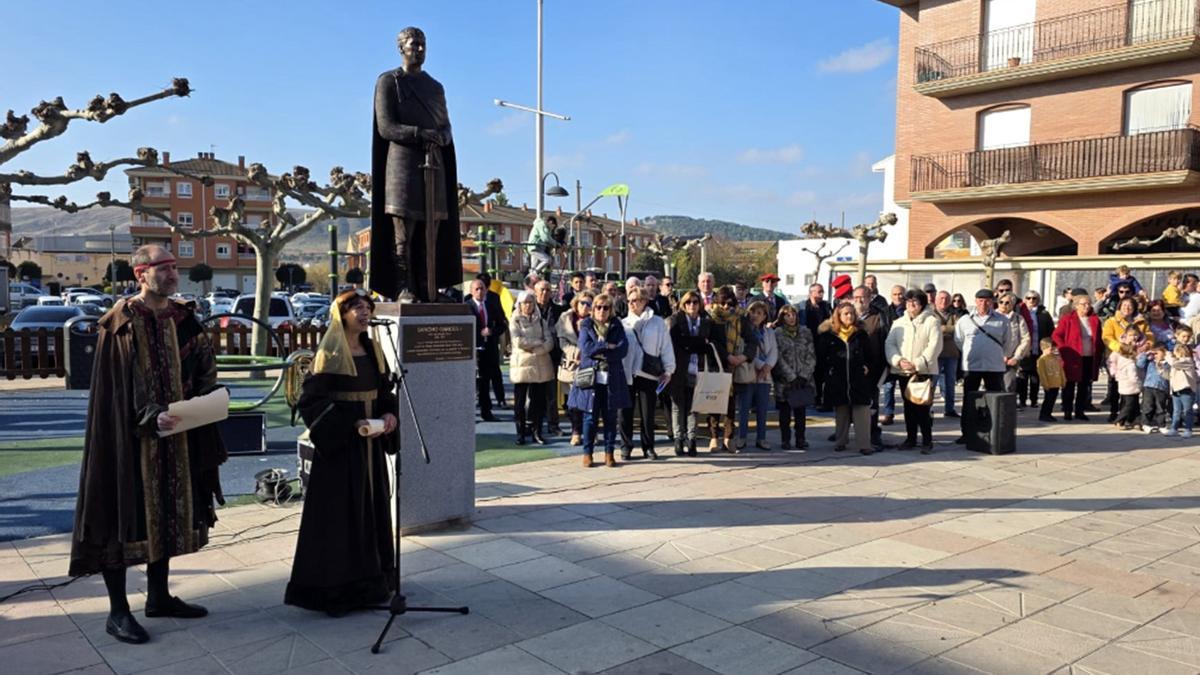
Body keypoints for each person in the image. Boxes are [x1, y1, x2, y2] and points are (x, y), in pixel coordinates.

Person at [69, 245, 227, 644]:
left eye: (175, 266)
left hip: (179, 436)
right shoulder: (120, 323)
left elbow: (203, 366)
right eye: (164, 267)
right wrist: (148, 415)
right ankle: (117, 612)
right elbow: (117, 389)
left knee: (170, 515)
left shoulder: (185, 319)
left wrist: (205, 398)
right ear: (141, 274)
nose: (174, 273)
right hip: (130, 443)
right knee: (122, 521)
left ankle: (158, 597)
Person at [287, 290, 398, 617]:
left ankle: (374, 582)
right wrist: (352, 422)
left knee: (372, 510)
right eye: (357, 308)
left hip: (370, 445)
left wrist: (389, 414)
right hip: (341, 451)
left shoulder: (374, 348)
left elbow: (385, 389)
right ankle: (338, 590)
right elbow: (310, 403)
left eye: (368, 308)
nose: (365, 313)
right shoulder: (330, 353)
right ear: (342, 314)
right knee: (342, 518)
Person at [370, 27, 461, 303]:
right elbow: (386, 127)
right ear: (401, 48)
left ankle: (427, 286)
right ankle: (404, 286)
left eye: (423, 44)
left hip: (433, 164)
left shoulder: (435, 87)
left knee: (430, 233)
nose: (420, 49)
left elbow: (446, 127)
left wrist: (441, 137)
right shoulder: (388, 81)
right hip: (402, 165)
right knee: (404, 234)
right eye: (414, 44)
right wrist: (419, 134)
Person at [567, 294, 630, 467]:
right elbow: (586, 349)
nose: (602, 311)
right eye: (598, 307)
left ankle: (609, 453)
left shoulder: (617, 326)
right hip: (590, 379)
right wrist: (606, 346)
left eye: (606, 308)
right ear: (593, 309)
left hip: (611, 378)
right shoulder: (586, 325)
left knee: (610, 418)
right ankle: (588, 453)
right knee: (590, 418)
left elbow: (622, 350)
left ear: (611, 310)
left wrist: (602, 351)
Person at [620, 286, 675, 460]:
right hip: (627, 373)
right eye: (629, 301)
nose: (631, 304)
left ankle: (648, 447)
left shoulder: (657, 322)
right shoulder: (623, 323)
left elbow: (665, 347)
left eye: (635, 300)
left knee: (647, 413)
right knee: (625, 412)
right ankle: (626, 446)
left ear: (644, 301)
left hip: (648, 373)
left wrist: (669, 369)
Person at [885, 288, 943, 453]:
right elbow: (890, 344)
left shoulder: (932, 321)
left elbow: (935, 346)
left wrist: (917, 364)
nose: (911, 305)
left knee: (922, 407)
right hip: (903, 371)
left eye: (915, 302)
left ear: (922, 304)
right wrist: (898, 360)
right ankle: (910, 438)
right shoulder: (899, 322)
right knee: (908, 407)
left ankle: (927, 440)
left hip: (923, 371)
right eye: (908, 302)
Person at [819, 302, 874, 455]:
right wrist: (828, 373)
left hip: (858, 379)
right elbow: (822, 359)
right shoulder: (829, 336)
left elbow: (870, 355)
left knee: (862, 411)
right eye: (845, 313)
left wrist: (867, 366)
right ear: (838, 316)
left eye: (851, 313)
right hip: (838, 379)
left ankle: (864, 444)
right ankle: (841, 441)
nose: (849, 316)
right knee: (841, 412)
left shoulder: (861, 334)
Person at [668, 290, 719, 456]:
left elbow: (709, 344)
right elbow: (678, 342)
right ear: (683, 304)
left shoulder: (706, 320)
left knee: (693, 406)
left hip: (698, 368)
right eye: (688, 302)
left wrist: (693, 343)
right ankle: (678, 438)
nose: (692, 305)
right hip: (679, 367)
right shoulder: (676, 319)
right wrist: (697, 343)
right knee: (677, 405)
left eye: (695, 302)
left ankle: (691, 439)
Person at [707, 287, 758, 452]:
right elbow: (712, 341)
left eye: (729, 303)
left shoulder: (741, 319)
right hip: (717, 364)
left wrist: (742, 358)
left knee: (730, 404)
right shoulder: (712, 319)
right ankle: (714, 437)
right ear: (716, 303)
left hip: (735, 366)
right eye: (722, 303)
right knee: (714, 402)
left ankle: (728, 437)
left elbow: (752, 341)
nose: (725, 307)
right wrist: (726, 356)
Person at [510, 291, 555, 445]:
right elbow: (518, 341)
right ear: (520, 304)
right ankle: (520, 432)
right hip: (521, 365)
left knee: (538, 401)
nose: (528, 305)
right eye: (525, 302)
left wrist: (539, 348)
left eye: (531, 302)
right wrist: (538, 342)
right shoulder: (514, 320)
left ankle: (537, 431)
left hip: (540, 365)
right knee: (520, 402)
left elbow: (549, 341)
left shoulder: (541, 321)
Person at [1053, 291, 1103, 421]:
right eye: (1084, 304)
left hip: (1089, 357)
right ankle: (1067, 410)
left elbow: (1099, 339)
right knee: (1070, 385)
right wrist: (1063, 348)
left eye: (1089, 304)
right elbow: (1056, 335)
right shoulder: (1068, 319)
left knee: (1084, 385)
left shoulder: (1094, 320)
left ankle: (1080, 410)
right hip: (1072, 357)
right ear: (1076, 306)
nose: (1087, 306)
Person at [772, 304, 816, 450]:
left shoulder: (805, 332)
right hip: (785, 380)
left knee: (800, 412)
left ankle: (800, 438)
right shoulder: (777, 333)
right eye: (787, 315)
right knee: (784, 413)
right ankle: (785, 439)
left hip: (803, 380)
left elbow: (811, 355)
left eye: (793, 315)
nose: (791, 318)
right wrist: (790, 376)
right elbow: (777, 357)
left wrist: (804, 375)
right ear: (782, 317)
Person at [1101, 296, 1151, 422]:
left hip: (1136, 357)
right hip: (1117, 357)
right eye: (1124, 305)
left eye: (1130, 306)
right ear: (1119, 306)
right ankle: (1114, 412)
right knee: (1115, 386)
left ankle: (1130, 414)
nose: (1127, 308)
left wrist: (1146, 345)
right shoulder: (1111, 321)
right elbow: (1107, 337)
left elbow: (1149, 336)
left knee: (1132, 386)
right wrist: (1121, 348)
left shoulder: (1141, 321)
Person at [955, 289, 1012, 394]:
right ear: (976, 301)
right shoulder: (965, 320)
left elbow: (1007, 341)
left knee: (994, 399)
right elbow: (959, 340)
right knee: (970, 399)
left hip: (994, 365)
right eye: (980, 300)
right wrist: (969, 351)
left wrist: (1004, 356)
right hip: (972, 366)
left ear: (992, 302)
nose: (983, 304)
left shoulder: (1003, 320)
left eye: (987, 301)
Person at [738, 301, 778, 450]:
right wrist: (761, 366)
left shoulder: (769, 332)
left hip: (765, 376)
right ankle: (741, 437)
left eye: (759, 313)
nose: (755, 315)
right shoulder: (743, 330)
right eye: (753, 312)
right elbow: (744, 350)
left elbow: (774, 351)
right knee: (744, 407)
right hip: (748, 372)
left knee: (762, 409)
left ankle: (761, 438)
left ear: (765, 316)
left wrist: (768, 367)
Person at [557, 291, 595, 446]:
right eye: (583, 303)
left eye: (589, 304)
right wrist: (575, 352)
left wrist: (586, 351)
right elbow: (562, 340)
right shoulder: (565, 318)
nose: (586, 307)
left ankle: (590, 432)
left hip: (590, 364)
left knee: (590, 402)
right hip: (572, 364)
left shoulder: (597, 319)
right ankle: (576, 431)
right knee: (573, 403)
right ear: (576, 303)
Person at [466, 279, 503, 422]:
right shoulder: (466, 307)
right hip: (472, 350)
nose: (480, 291)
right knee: (470, 383)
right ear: (471, 291)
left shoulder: (492, 305)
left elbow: (502, 324)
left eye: (482, 289)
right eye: (476, 289)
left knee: (486, 382)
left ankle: (486, 411)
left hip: (489, 349)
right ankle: (470, 413)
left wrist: (492, 331)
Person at [533, 280, 565, 435]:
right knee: (534, 394)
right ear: (535, 291)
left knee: (551, 394)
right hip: (533, 357)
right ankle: (534, 425)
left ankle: (553, 425)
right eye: (541, 290)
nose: (544, 293)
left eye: (547, 290)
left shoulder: (559, 310)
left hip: (552, 356)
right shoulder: (529, 309)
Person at [1018, 290, 1055, 410]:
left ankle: (1034, 400)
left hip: (1038, 348)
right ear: (1024, 300)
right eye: (1028, 298)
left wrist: (1049, 346)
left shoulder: (1044, 314)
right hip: (1024, 348)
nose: (1031, 301)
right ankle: (1022, 400)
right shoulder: (1020, 313)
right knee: (1023, 375)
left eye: (1034, 298)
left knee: (1035, 375)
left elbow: (1051, 331)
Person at [797, 283, 832, 408]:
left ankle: (820, 399)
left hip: (823, 344)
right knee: (808, 371)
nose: (821, 294)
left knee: (822, 373)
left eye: (822, 291)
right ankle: (807, 398)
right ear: (811, 293)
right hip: (807, 344)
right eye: (818, 291)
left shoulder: (826, 306)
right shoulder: (802, 307)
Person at [1108, 327, 1144, 430]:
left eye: (1136, 335)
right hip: (1128, 381)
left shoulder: (1141, 346)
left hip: (1134, 380)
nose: (1133, 337)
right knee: (1128, 403)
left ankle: (1136, 421)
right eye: (1131, 335)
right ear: (1126, 335)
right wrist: (1114, 373)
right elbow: (1111, 361)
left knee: (1135, 403)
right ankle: (1120, 420)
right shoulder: (1121, 348)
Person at [933, 291, 961, 418]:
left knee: (950, 383)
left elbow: (959, 329)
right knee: (932, 383)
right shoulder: (930, 314)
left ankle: (949, 409)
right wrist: (948, 329)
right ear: (936, 300)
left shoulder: (955, 314)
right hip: (935, 354)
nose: (943, 301)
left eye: (946, 299)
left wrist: (943, 329)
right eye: (941, 298)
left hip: (951, 353)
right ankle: (927, 407)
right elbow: (932, 330)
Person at [995, 293, 1031, 394]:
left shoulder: (1018, 319)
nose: (1003, 305)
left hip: (1011, 359)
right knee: (993, 387)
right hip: (993, 359)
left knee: (1009, 385)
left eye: (1007, 303)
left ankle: (1007, 408)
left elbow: (1025, 339)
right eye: (1001, 302)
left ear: (1013, 304)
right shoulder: (992, 317)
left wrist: (1016, 357)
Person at [1164, 342, 1196, 438]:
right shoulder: (1176, 361)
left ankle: (1188, 429)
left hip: (1186, 390)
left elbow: (1174, 363)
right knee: (1176, 410)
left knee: (1187, 411)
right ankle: (1174, 428)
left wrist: (1167, 355)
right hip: (1176, 389)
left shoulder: (1188, 361)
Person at [1137, 343, 1171, 433]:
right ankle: (1146, 424)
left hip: (1162, 388)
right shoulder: (1150, 362)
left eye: (1157, 353)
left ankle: (1161, 425)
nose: (1155, 355)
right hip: (1149, 387)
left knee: (1161, 408)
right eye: (1154, 353)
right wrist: (1146, 354)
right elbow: (1139, 364)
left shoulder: (1167, 364)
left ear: (1164, 353)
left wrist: (1168, 357)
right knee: (1148, 406)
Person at [1037, 337, 1065, 423]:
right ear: (1044, 348)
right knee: (1048, 400)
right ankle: (1044, 414)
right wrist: (1045, 383)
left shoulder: (1055, 358)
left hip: (1056, 383)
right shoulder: (1042, 360)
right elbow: (1042, 373)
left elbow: (1060, 370)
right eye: (1051, 349)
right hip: (1049, 384)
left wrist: (1063, 380)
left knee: (1052, 400)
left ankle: (1049, 413)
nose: (1053, 350)